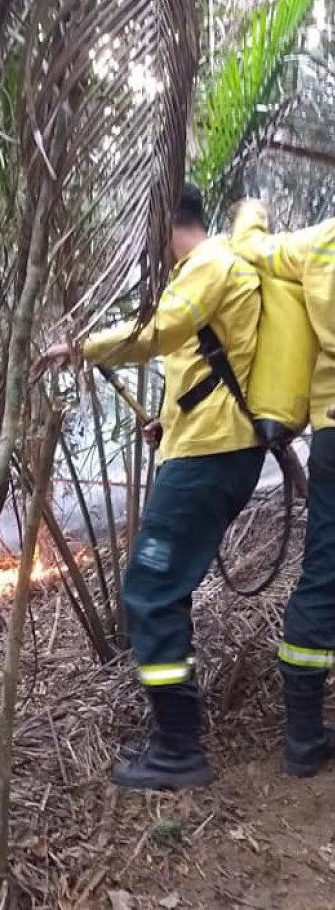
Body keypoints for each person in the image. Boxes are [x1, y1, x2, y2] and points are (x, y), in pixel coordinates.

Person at [36, 184, 265, 790]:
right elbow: (206, 365)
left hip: (211, 455)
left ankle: (177, 748)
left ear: (166, 220)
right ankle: (177, 730)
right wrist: (168, 422)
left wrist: (79, 348)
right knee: (162, 588)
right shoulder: (207, 271)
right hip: (204, 444)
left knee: (151, 590)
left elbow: (158, 332)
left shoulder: (210, 264)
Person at [232, 199, 335, 778]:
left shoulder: (322, 243)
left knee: (323, 576)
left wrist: (251, 212)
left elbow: (254, 251)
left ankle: (302, 737)